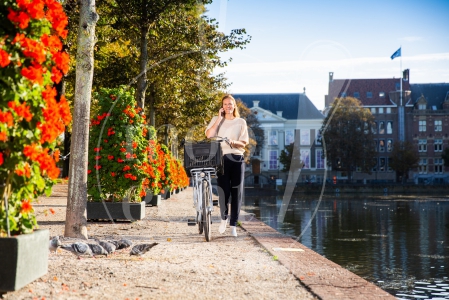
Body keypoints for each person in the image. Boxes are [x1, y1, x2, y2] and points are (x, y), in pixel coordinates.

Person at [205, 94, 249, 237]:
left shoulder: (241, 122)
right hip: (222, 159)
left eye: (230, 104)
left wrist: (233, 142)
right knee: (224, 192)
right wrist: (219, 118)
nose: (228, 106)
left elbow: (244, 143)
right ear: (222, 106)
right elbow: (209, 135)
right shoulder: (216, 120)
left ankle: (233, 225)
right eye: (225, 104)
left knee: (237, 193)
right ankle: (223, 219)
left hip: (237, 158)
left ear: (234, 106)